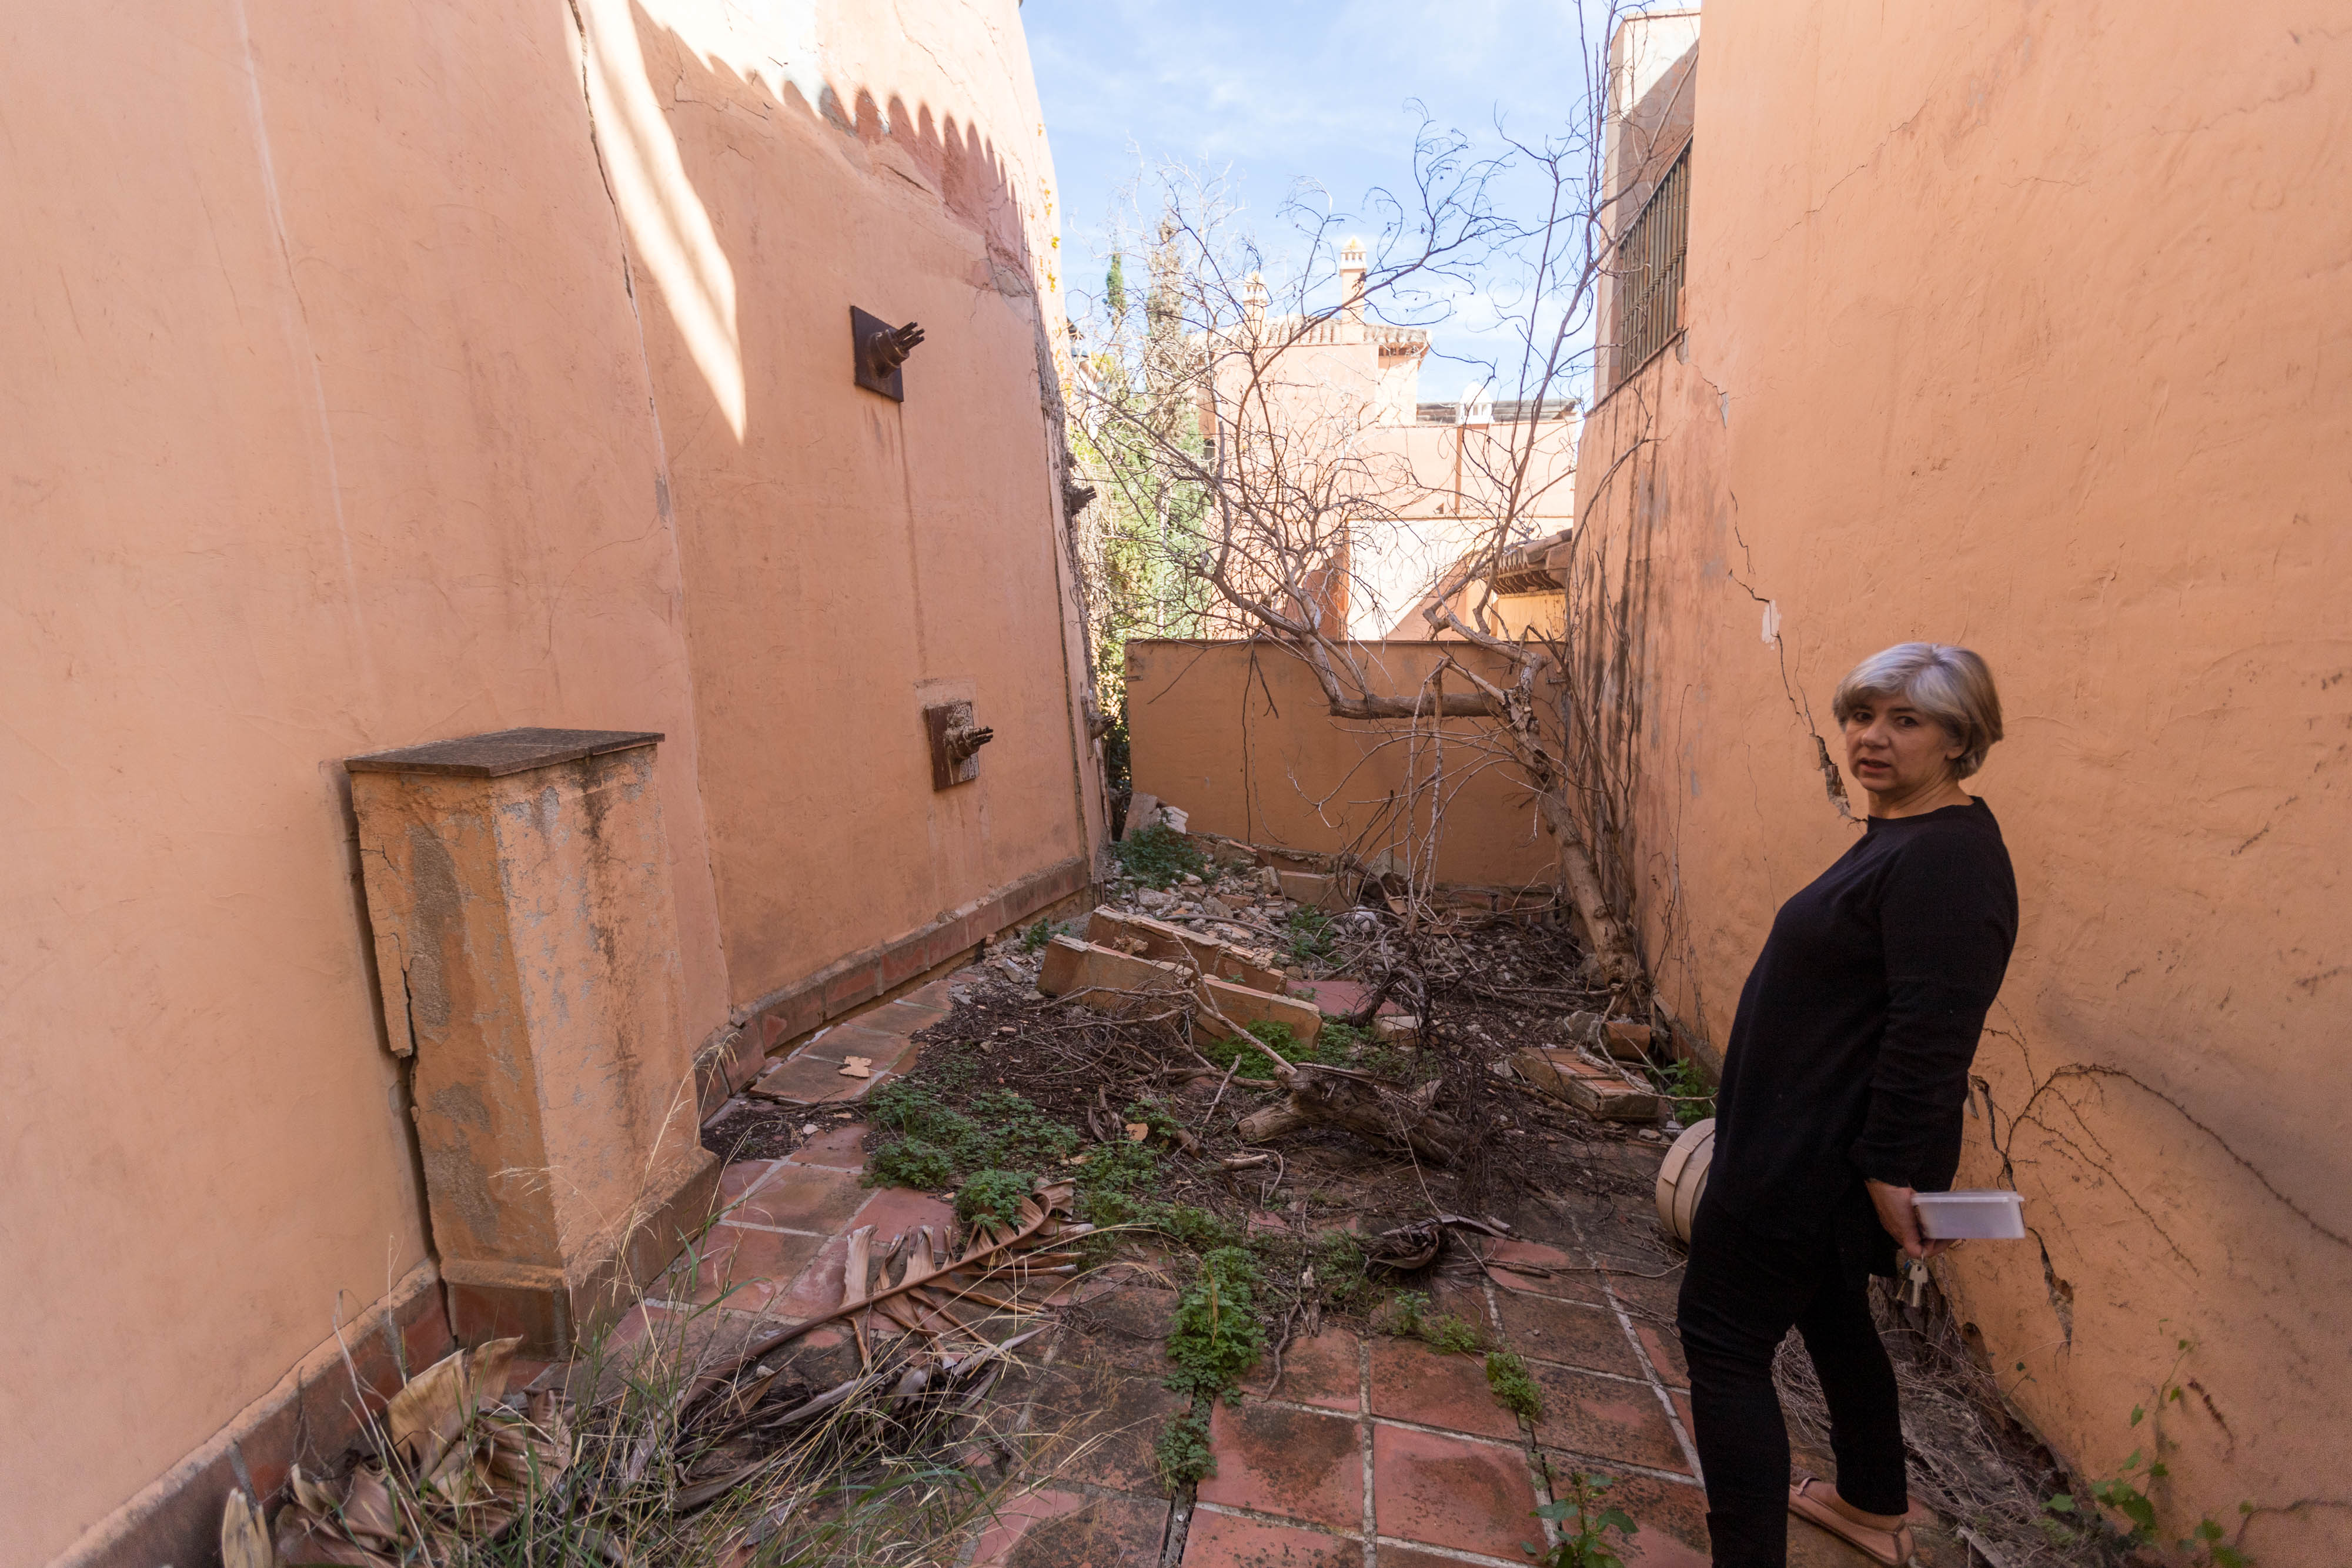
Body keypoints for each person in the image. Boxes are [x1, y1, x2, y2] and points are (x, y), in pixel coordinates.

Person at [1675, 643, 2019, 1567]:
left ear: (1959, 740)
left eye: (1906, 722)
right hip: (1803, 1149)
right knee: (1830, 1311)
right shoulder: (1910, 838)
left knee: (1722, 1342)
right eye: (1862, 716)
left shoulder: (1948, 863)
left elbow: (1931, 1034)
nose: (1872, 739)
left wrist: (1888, 1170)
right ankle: (1871, 1501)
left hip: (1811, 1163)